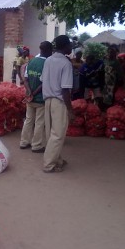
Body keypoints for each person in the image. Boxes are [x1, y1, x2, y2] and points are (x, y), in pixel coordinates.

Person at [40, 35, 74, 173]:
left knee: (51, 133)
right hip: (59, 102)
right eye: (70, 45)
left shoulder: (48, 60)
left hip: (47, 100)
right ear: (65, 46)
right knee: (58, 134)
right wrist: (70, 110)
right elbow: (65, 90)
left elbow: (43, 79)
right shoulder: (66, 63)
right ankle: (49, 165)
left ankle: (57, 159)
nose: (71, 47)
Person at [20, 41, 53, 152]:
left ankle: (24, 142)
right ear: (49, 51)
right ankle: (36, 145)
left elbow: (25, 79)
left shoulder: (31, 61)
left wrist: (29, 92)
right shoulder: (48, 63)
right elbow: (45, 83)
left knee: (28, 120)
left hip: (29, 98)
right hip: (40, 99)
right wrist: (34, 93)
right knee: (39, 122)